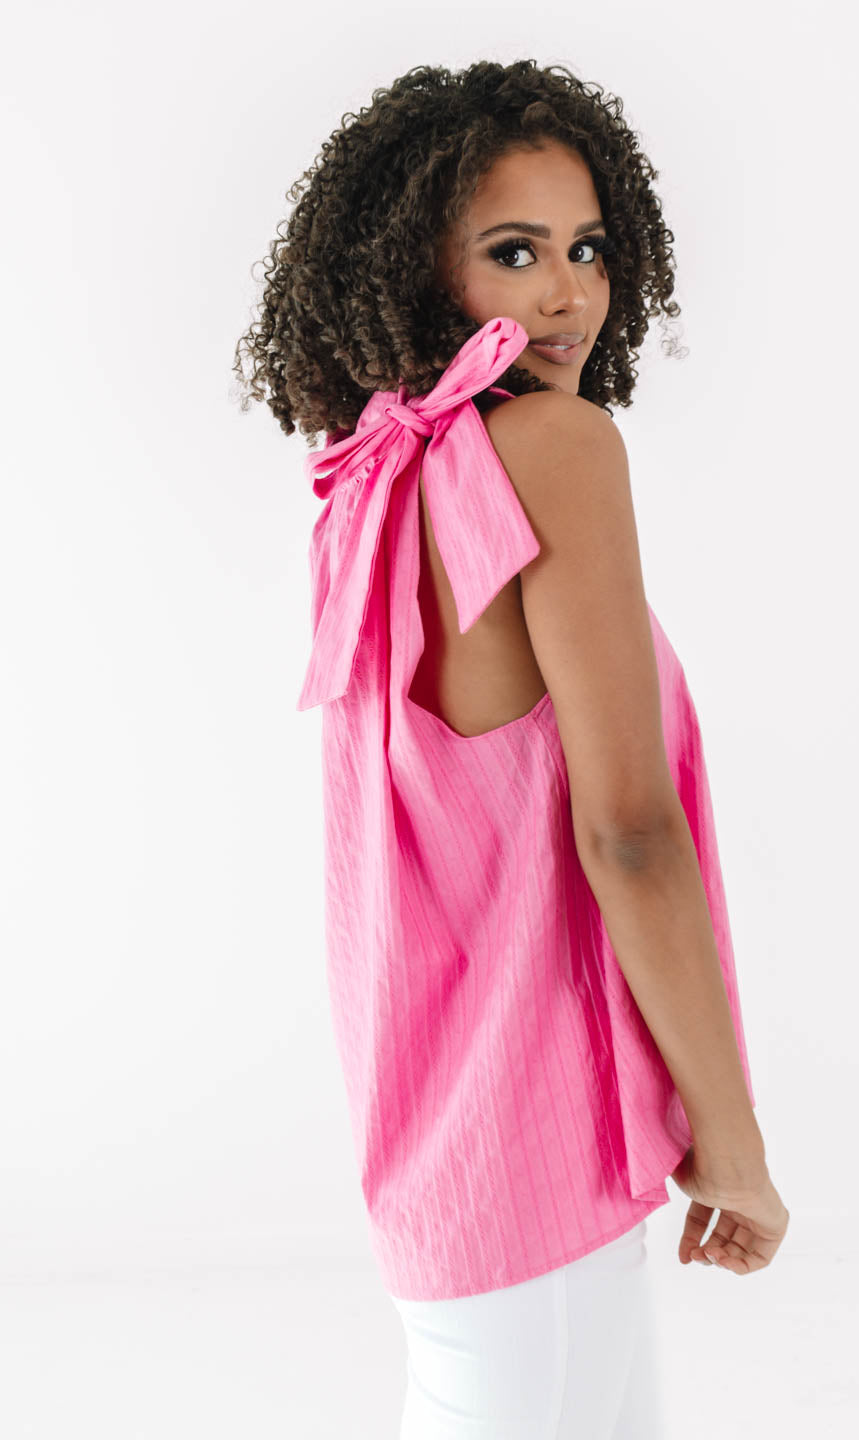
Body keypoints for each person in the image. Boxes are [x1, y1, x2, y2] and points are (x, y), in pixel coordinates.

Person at [233, 58, 789, 1440]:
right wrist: (731, 1140)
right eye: (515, 252)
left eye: (587, 248)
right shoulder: (555, 448)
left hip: (443, 1149)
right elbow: (630, 834)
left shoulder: (383, 479)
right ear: (417, 269)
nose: (567, 295)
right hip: (542, 1143)